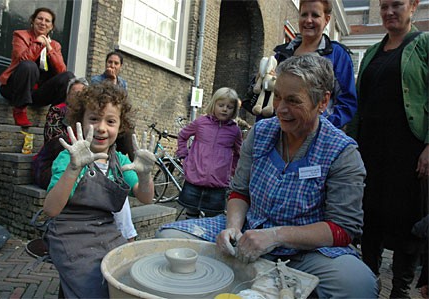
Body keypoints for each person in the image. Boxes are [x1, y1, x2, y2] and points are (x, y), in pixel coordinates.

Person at [157, 54, 378, 298]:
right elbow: (239, 191)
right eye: (278, 96)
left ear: (323, 101)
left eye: (293, 100)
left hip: (306, 252)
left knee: (358, 285)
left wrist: (276, 236)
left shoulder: (342, 152)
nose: (280, 109)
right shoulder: (261, 132)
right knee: (167, 239)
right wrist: (233, 229)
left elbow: (343, 229)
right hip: (248, 231)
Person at [43, 82, 156, 298]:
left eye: (110, 121)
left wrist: (145, 174)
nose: (102, 127)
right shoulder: (68, 158)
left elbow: (146, 198)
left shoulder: (121, 161)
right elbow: (51, 209)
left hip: (106, 231)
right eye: (94, 119)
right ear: (81, 122)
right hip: (68, 233)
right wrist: (74, 168)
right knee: (95, 288)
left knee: (126, 277)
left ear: (121, 126)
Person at [347, 0, 428, 296]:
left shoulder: (424, 44)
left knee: (405, 220)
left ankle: (400, 289)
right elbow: (359, 104)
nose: (389, 12)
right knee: (371, 216)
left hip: (408, 151)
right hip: (371, 150)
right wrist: (351, 145)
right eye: (384, 6)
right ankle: (368, 281)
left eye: (397, 5)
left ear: (413, 6)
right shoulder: (371, 52)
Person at [244, 0, 357, 129]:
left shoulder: (338, 55)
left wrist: (319, 127)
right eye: (304, 15)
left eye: (315, 15)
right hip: (277, 132)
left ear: (327, 19)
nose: (308, 20)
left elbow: (347, 103)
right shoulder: (282, 54)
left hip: (313, 139)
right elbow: (264, 94)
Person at [0, 7, 74, 127]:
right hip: (15, 89)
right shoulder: (20, 35)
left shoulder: (55, 45)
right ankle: (20, 109)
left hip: (38, 93)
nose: (43, 23)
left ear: (51, 26)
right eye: (40, 18)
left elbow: (61, 71)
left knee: (68, 76)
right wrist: (38, 44)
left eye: (47, 21)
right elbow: (22, 60)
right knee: (29, 65)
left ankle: (55, 115)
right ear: (33, 21)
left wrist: (50, 49)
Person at [176, 87, 242, 218]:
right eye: (221, 105)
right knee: (190, 217)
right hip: (194, 179)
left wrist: (232, 170)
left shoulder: (235, 131)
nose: (224, 109)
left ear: (234, 110)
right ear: (214, 105)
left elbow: (239, 153)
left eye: (229, 107)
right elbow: (183, 136)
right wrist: (183, 156)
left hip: (218, 183)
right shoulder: (201, 123)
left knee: (212, 219)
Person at [32, 77, 89, 189]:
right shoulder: (57, 111)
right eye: (76, 94)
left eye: (83, 94)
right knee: (62, 141)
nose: (80, 98)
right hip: (53, 165)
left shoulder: (88, 116)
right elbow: (56, 143)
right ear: (68, 96)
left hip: (81, 166)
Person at [91, 51, 134, 161]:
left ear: (120, 66)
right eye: (110, 62)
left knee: (128, 132)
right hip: (101, 116)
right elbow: (100, 100)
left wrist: (114, 81)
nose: (112, 66)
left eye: (116, 63)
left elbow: (121, 103)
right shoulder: (96, 80)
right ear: (106, 64)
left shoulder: (123, 83)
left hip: (116, 119)